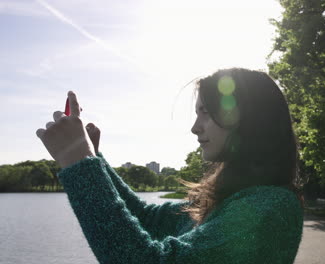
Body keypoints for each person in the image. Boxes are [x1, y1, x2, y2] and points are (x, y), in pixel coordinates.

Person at [36, 68, 305, 264]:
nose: (195, 127)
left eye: (206, 113)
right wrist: (94, 159)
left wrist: (79, 161)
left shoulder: (271, 208)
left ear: (249, 118)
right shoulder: (232, 197)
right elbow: (147, 218)